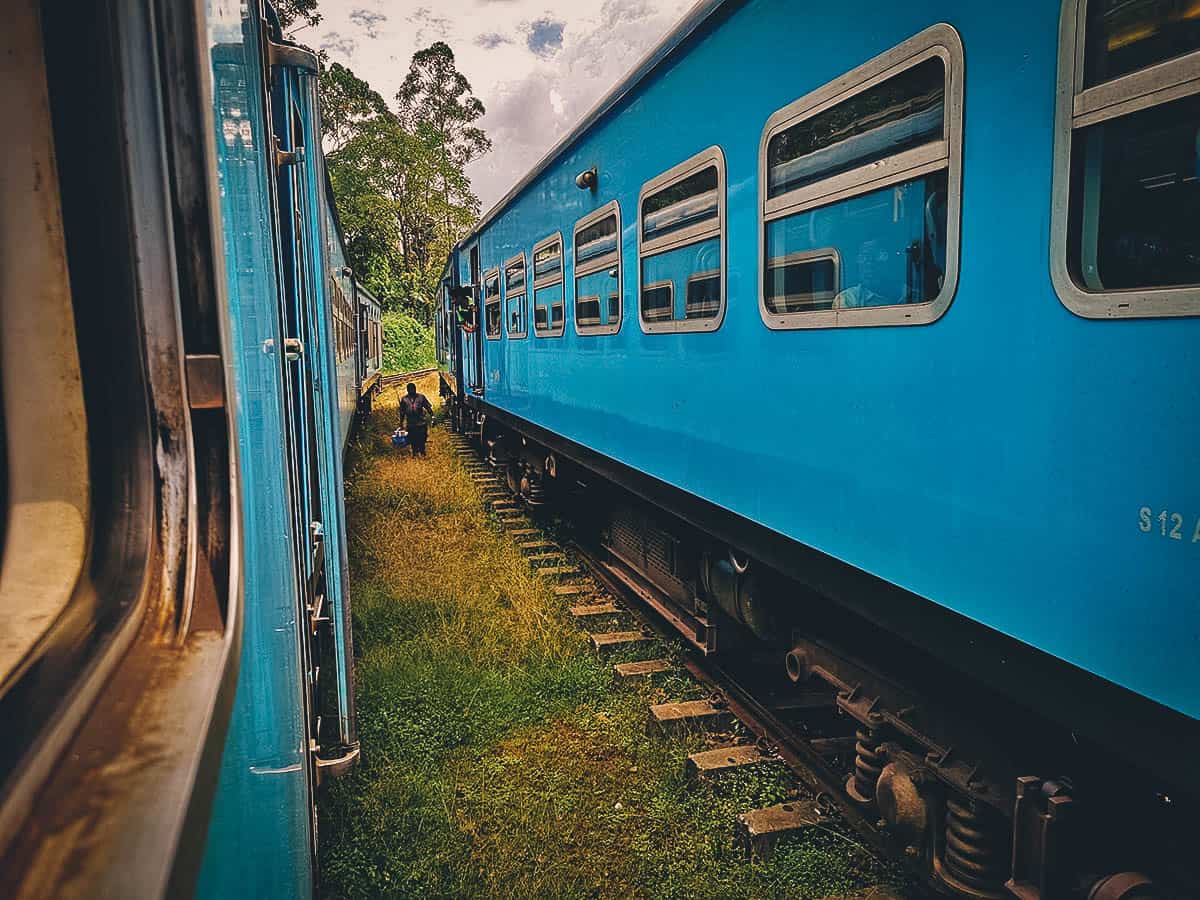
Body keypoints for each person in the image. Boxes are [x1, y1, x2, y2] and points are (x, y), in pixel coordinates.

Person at [398, 382, 433, 457]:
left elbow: (428, 407)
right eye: (410, 389)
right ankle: (414, 452)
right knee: (412, 438)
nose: (411, 391)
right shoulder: (404, 399)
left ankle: (422, 450)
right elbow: (402, 412)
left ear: (415, 389)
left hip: (421, 422)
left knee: (422, 437)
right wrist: (401, 423)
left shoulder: (421, 397)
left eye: (413, 389)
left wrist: (432, 415)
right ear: (407, 390)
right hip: (411, 423)